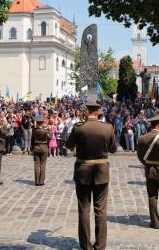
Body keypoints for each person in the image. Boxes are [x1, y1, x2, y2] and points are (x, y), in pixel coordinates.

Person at [66, 99, 116, 250]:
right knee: (100, 209)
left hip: (83, 171)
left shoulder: (79, 128)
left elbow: (68, 146)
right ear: (98, 112)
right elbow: (113, 149)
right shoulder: (107, 128)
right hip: (101, 171)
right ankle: (100, 246)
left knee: (84, 209)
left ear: (87, 111)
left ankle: (86, 245)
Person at [31, 116, 49, 186]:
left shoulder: (34, 130)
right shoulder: (45, 131)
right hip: (44, 148)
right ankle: (41, 181)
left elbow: (32, 140)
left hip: (36, 148)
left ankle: (37, 181)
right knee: (43, 165)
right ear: (42, 122)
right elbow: (49, 138)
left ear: (37, 122)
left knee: (36, 164)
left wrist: (33, 147)